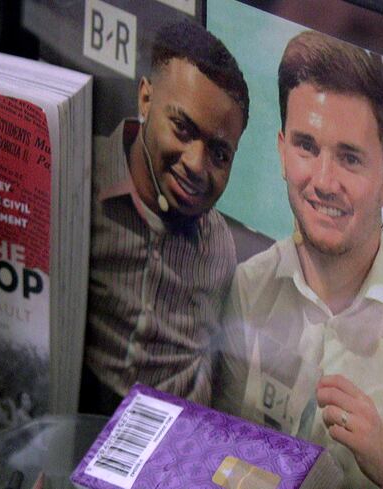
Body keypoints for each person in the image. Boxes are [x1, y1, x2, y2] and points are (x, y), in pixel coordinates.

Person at [214, 31, 383, 487]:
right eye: (306, 147)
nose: (323, 180)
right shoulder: (246, 287)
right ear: (281, 152)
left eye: (350, 158)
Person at [81, 21, 249, 414]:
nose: (196, 164)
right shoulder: (78, 181)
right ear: (145, 99)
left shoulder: (221, 248)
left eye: (219, 154)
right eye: (182, 128)